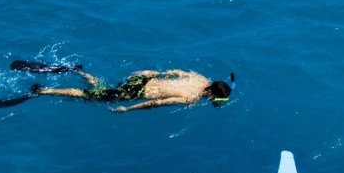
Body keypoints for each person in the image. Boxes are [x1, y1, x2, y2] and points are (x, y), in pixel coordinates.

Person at [29, 68, 234, 110]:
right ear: (210, 93)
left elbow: (176, 71)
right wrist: (128, 110)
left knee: (102, 88)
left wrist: (154, 74)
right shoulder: (191, 98)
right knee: (89, 96)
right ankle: (44, 91)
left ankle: (80, 72)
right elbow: (156, 103)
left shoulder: (200, 77)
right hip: (135, 93)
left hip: (142, 77)